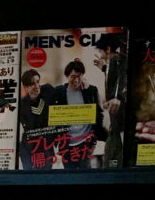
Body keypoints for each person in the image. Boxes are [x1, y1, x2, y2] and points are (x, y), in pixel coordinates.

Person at [41, 59, 107, 169]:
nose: (76, 80)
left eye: (79, 76)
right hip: (66, 144)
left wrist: (94, 137)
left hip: (86, 142)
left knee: (85, 173)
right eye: (72, 76)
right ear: (67, 76)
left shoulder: (91, 91)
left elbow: (99, 113)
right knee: (69, 175)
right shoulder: (59, 92)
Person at [94, 31, 127, 167]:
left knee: (116, 139)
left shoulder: (119, 59)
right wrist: (104, 68)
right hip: (115, 113)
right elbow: (115, 76)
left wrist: (117, 98)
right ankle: (112, 165)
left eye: (101, 50)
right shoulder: (113, 62)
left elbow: (121, 78)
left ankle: (114, 166)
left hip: (119, 110)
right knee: (114, 139)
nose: (100, 54)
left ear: (108, 49)